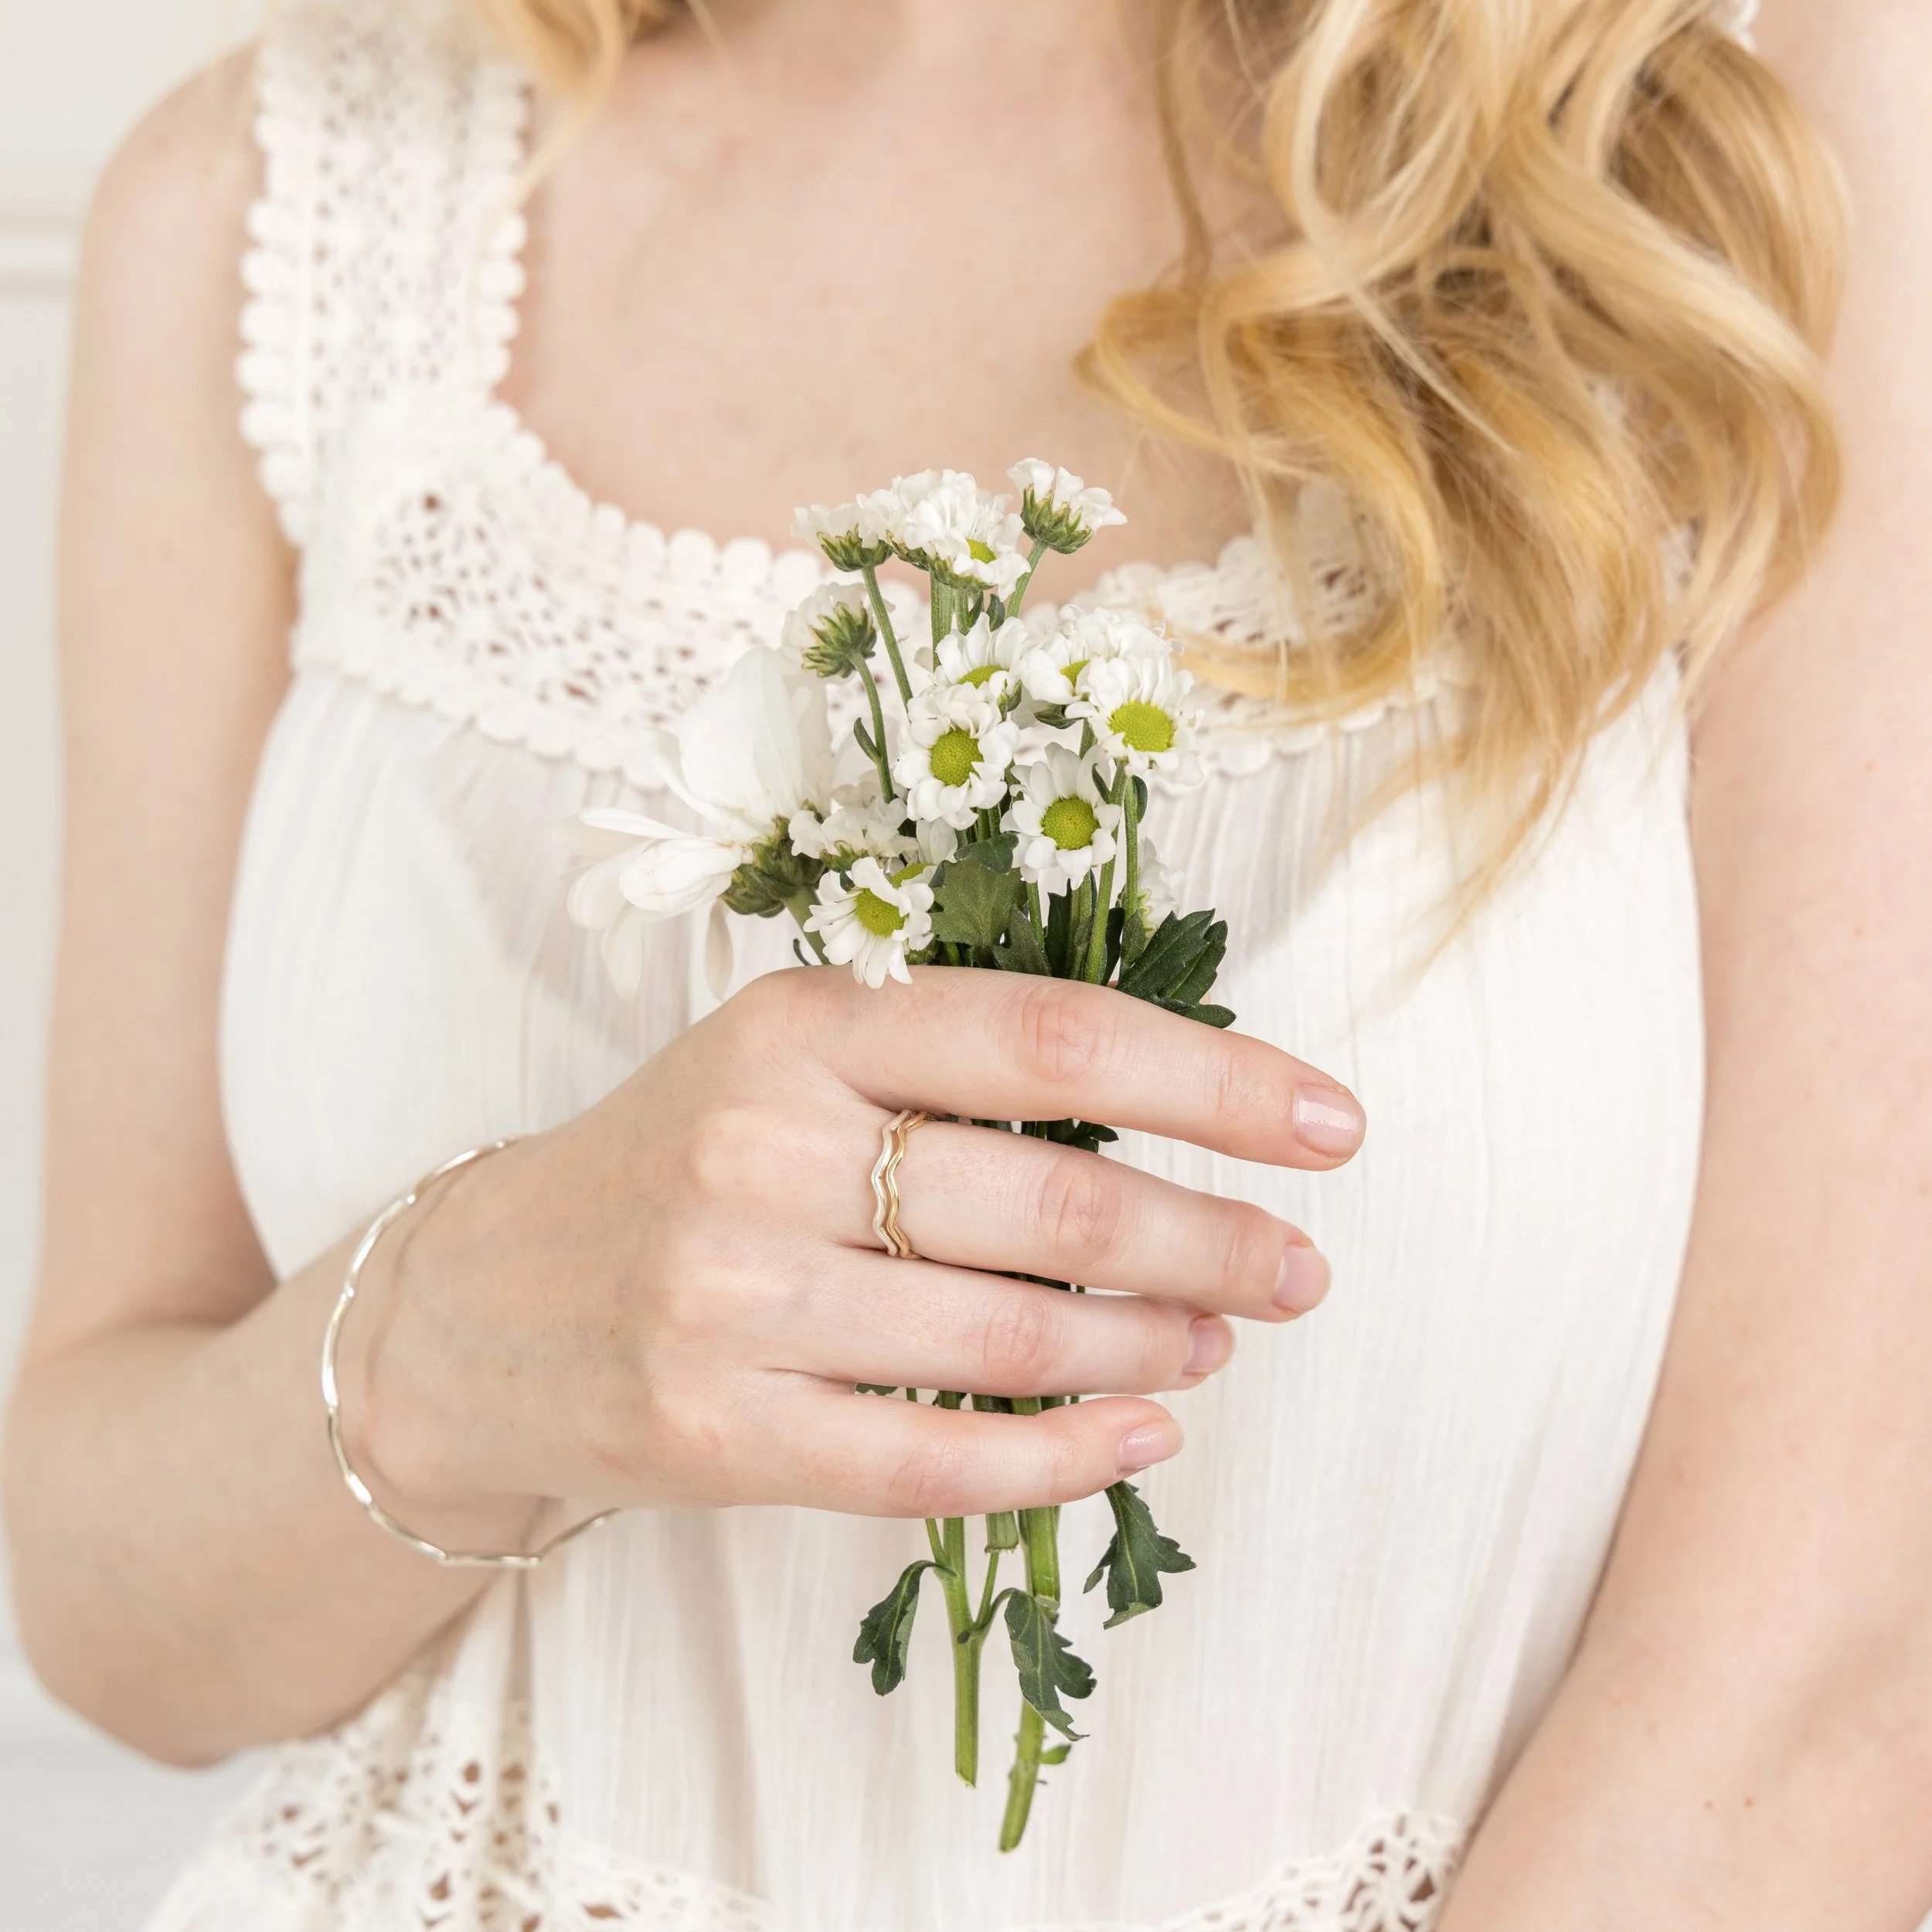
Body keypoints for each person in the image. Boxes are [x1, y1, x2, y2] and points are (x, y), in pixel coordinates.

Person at [8, 0, 1931, 1925]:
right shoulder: (286, 203)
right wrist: (450, 1338)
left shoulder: (1732, 103)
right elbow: (107, 1612)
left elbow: (1827, 1669)